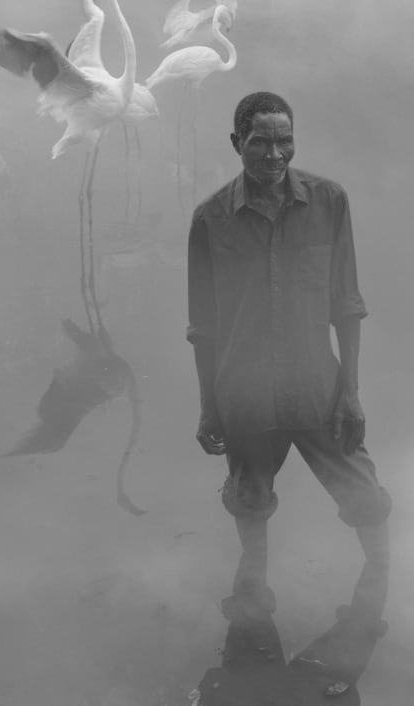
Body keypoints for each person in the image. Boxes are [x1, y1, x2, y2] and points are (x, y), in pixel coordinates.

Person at [187, 91, 391, 630]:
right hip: (245, 390)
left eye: (285, 141)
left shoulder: (329, 202)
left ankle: (378, 588)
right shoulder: (210, 219)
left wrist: (350, 390)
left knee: (364, 495)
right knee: (250, 500)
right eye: (261, 142)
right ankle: (253, 602)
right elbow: (203, 328)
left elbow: (346, 304)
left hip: (317, 385)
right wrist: (209, 407)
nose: (275, 154)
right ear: (237, 144)